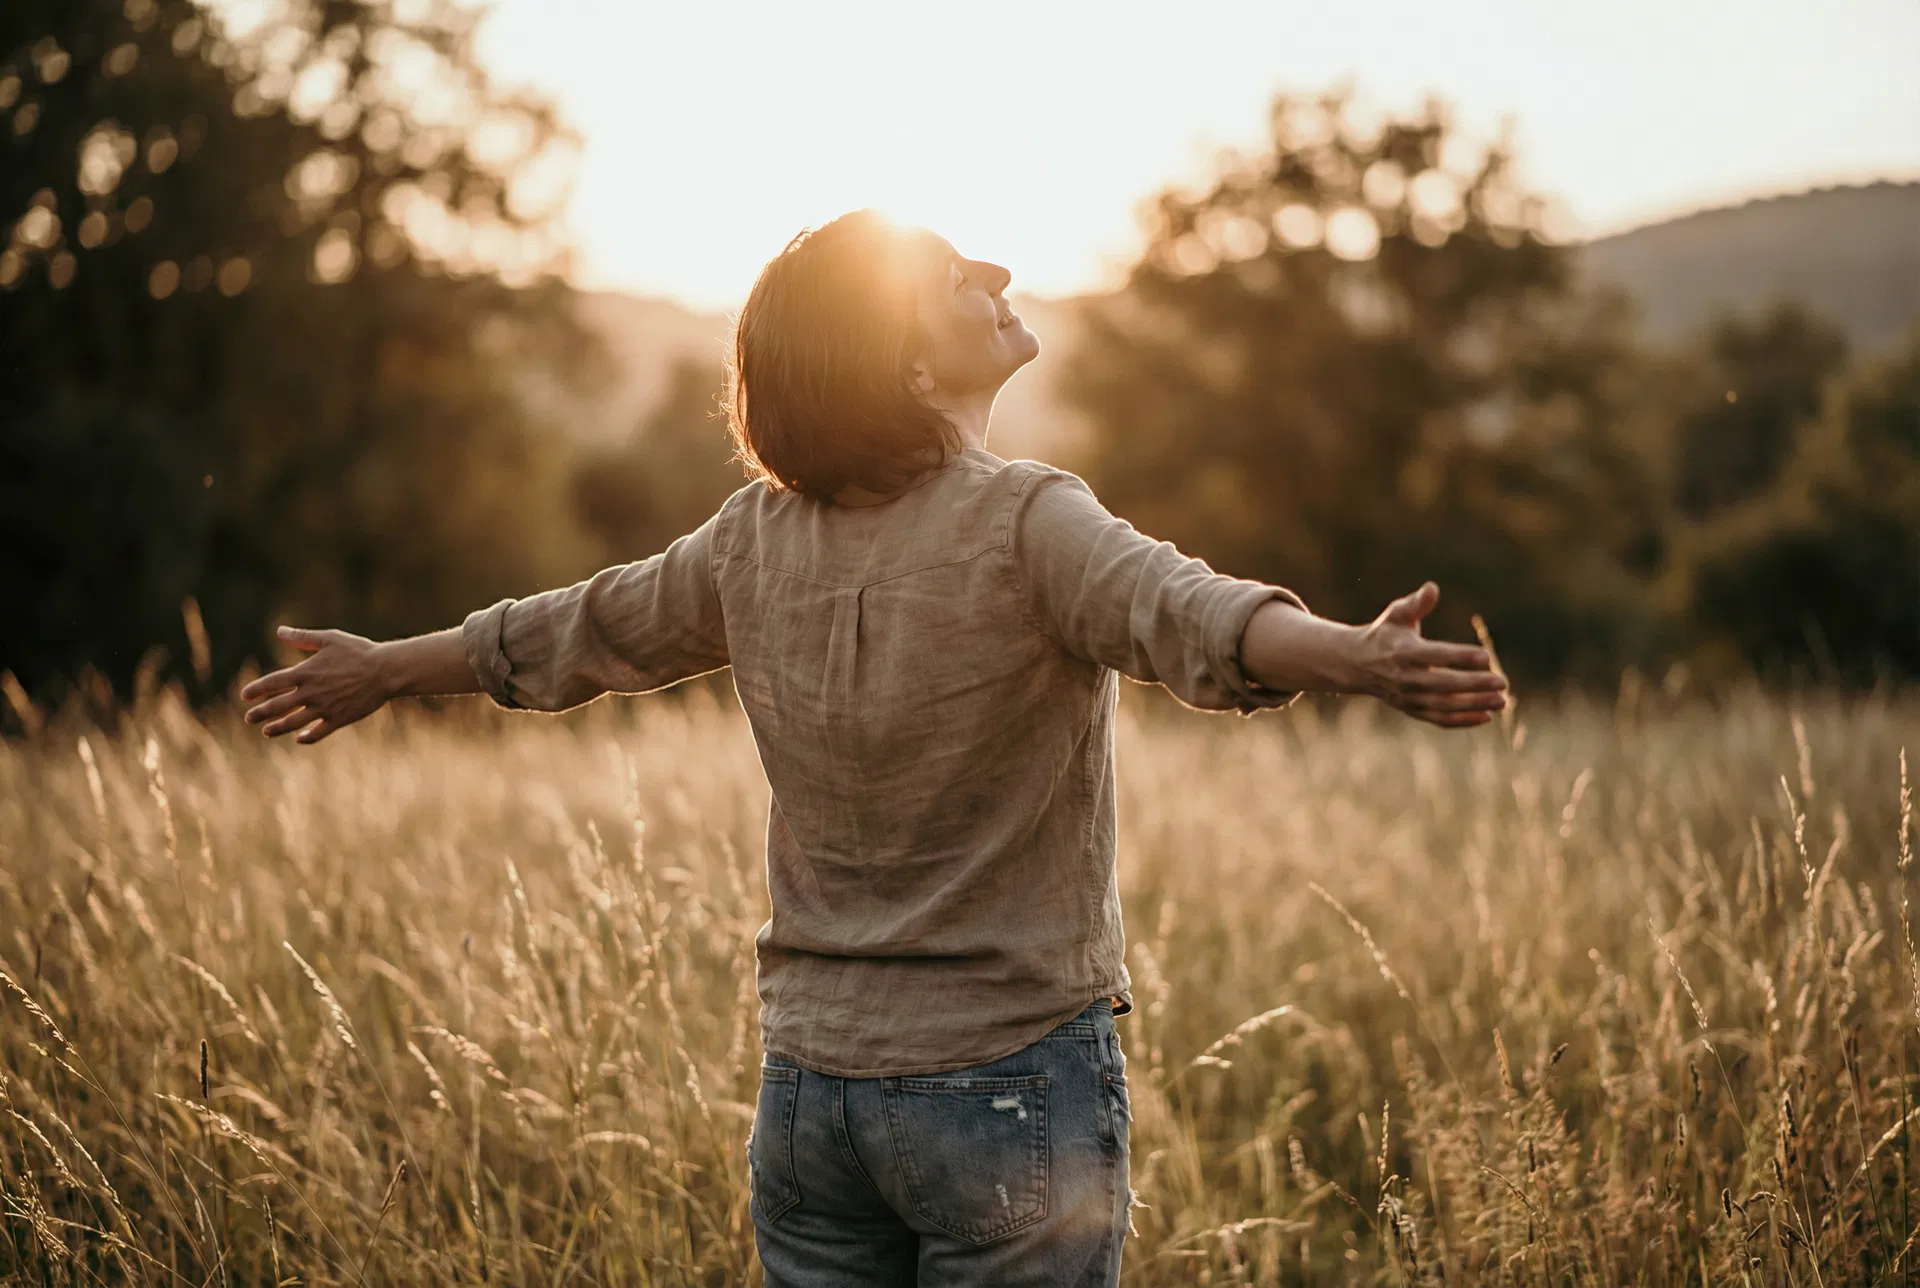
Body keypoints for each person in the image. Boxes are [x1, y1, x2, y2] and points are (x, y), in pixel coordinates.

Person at [240, 209, 1507, 1287]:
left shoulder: (752, 540)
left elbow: (573, 632)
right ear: (907, 368)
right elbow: (1189, 613)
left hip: (810, 1103)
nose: (996, 277)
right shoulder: (1026, 520)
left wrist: (384, 670)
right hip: (1006, 1085)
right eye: (954, 276)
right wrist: (1354, 655)